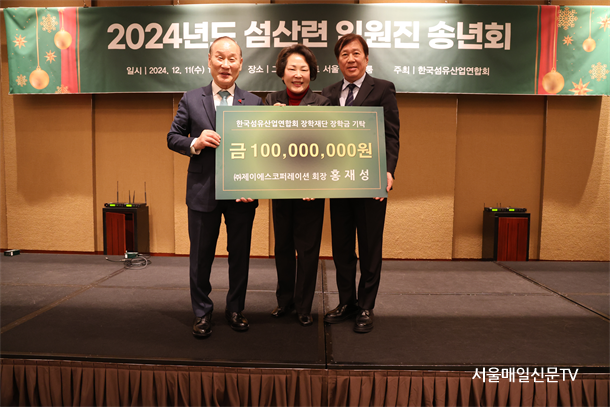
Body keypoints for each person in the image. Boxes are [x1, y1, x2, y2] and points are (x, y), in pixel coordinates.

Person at [167, 37, 263, 339]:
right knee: (200, 256)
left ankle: (235, 309)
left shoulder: (254, 102)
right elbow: (173, 137)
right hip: (202, 190)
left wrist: (255, 184)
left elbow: (262, 151)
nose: (226, 64)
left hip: (241, 193)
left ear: (241, 64)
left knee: (240, 255)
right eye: (220, 57)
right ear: (209, 60)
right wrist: (195, 142)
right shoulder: (191, 98)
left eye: (232, 59)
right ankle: (202, 312)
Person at [321, 34, 400, 333]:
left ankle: (366, 305)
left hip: (370, 181)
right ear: (338, 60)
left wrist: (387, 171)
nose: (350, 59)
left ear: (366, 58)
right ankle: (347, 302)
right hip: (338, 182)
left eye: (356, 53)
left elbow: (391, 135)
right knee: (341, 247)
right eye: (344, 54)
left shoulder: (383, 88)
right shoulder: (328, 93)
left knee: (369, 247)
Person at [264, 44, 330, 326]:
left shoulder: (323, 103)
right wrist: (272, 120)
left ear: (311, 74)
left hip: (310, 191)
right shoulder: (270, 101)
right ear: (282, 73)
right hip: (280, 186)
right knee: (282, 246)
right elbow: (262, 143)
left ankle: (304, 306)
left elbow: (327, 148)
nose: (298, 74)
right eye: (292, 68)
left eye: (303, 69)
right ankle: (284, 301)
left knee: (307, 249)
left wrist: (315, 184)